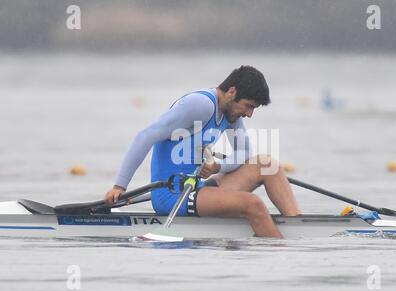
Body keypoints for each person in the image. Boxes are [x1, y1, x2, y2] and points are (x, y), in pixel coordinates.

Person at [104, 65, 300, 238]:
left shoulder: (230, 113)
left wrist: (218, 166)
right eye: (248, 106)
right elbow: (145, 136)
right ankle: (282, 255)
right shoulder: (200, 105)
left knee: (267, 165)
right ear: (232, 92)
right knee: (253, 204)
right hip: (172, 196)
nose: (249, 114)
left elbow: (245, 153)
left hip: (196, 188)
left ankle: (300, 228)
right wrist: (119, 186)